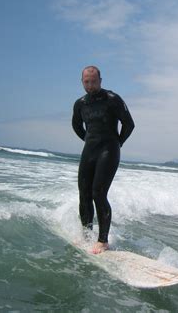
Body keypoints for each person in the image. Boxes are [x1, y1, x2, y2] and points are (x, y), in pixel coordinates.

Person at [72, 66, 135, 254]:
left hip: (109, 150)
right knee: (84, 193)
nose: (90, 85)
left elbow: (129, 124)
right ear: (82, 81)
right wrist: (88, 139)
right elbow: (76, 125)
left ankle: (102, 240)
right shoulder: (80, 104)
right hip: (89, 150)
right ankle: (86, 234)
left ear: (100, 80)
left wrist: (117, 143)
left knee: (98, 193)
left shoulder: (112, 99)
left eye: (93, 81)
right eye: (86, 82)